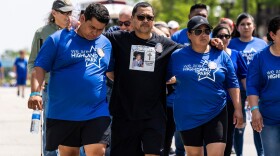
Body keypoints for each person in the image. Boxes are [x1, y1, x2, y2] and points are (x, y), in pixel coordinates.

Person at [27, 3, 112, 156]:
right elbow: (39, 68)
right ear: (82, 18)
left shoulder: (105, 44)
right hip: (64, 112)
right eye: (92, 27)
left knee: (97, 151)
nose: (95, 33)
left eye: (100, 29)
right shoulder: (57, 40)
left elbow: (111, 73)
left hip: (96, 111)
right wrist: (35, 93)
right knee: (69, 154)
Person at [104, 2, 182, 156]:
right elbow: (93, 36)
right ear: (132, 19)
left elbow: (191, 51)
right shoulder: (118, 38)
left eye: (149, 17)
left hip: (153, 115)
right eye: (141, 17)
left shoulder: (164, 44)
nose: (145, 20)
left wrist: (213, 44)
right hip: (123, 114)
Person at [167, 15, 243, 156]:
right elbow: (164, 78)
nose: (203, 34)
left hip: (216, 111)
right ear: (189, 34)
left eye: (207, 31)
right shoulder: (177, 56)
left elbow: (233, 83)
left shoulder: (221, 55)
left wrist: (238, 109)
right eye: (198, 31)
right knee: (194, 154)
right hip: (187, 114)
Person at [28, 0, 74, 155]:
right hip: (50, 90)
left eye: (70, 13)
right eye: (64, 13)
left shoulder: (77, 31)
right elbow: (33, 62)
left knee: (76, 131)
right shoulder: (42, 33)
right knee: (51, 134)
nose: (68, 16)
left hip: (74, 90)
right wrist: (36, 87)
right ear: (54, 13)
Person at [229, 13, 267, 156]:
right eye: (242, 24)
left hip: (257, 91)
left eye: (249, 24)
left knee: (258, 125)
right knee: (239, 127)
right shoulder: (232, 43)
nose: (246, 27)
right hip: (238, 91)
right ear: (237, 27)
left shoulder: (261, 44)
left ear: (254, 26)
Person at [212, 24, 248, 156]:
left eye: (227, 36)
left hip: (232, 102)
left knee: (228, 138)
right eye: (220, 36)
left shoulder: (237, 55)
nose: (224, 39)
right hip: (213, 102)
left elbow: (244, 78)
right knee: (213, 138)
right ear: (215, 37)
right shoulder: (209, 54)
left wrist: (250, 97)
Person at [247, 16, 280, 156]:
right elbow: (252, 86)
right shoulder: (260, 58)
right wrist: (255, 110)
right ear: (272, 35)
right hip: (269, 118)